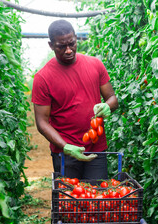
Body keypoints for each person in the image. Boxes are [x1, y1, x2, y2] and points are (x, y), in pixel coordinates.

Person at [31, 19, 118, 179]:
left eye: (72, 43)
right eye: (61, 46)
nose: (69, 50)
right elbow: (42, 122)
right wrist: (65, 147)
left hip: (96, 149)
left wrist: (107, 106)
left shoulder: (95, 65)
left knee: (97, 200)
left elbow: (112, 98)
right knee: (68, 201)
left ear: (76, 38)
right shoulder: (43, 78)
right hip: (65, 153)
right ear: (51, 45)